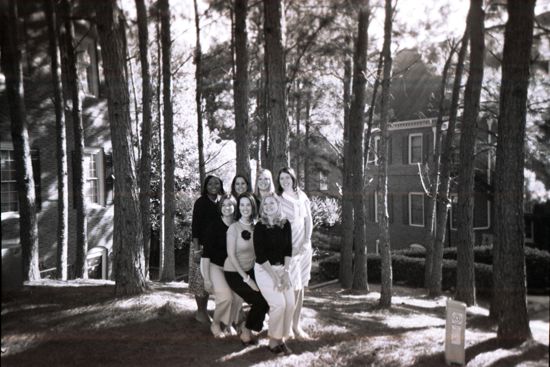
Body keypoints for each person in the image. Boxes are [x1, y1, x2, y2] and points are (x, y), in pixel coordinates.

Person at [224, 192, 269, 346]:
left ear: (253, 207)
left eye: (248, 204)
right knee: (259, 299)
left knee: (267, 296)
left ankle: (247, 327)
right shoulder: (233, 228)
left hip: (251, 270)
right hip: (234, 272)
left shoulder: (258, 227)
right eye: (241, 204)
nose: (245, 208)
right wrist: (247, 279)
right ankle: (246, 332)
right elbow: (231, 255)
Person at [254, 194, 294, 355]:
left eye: (272, 203)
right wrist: (275, 277)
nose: (269, 206)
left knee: (290, 303)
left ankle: (282, 339)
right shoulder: (259, 226)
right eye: (265, 204)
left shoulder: (285, 224)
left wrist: (286, 272)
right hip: (265, 270)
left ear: (278, 205)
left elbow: (288, 249)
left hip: (282, 268)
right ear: (262, 207)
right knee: (279, 304)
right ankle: (273, 342)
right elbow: (260, 255)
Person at [277, 167, 313, 340]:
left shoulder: (302, 196)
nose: (285, 181)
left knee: (302, 286)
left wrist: (306, 242)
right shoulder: (278, 199)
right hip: (289, 250)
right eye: (281, 178)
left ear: (293, 178)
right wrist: (289, 248)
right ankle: (287, 326)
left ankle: (296, 325)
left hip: (304, 248)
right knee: (293, 287)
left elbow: (309, 221)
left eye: (287, 177)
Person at [201, 194, 243, 338]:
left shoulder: (239, 225)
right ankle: (215, 324)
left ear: (235, 207)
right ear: (220, 207)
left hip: (232, 268)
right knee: (226, 297)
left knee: (237, 297)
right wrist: (206, 278)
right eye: (224, 205)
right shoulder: (213, 226)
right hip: (213, 266)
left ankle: (229, 325)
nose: (227, 208)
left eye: (230, 204)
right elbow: (206, 255)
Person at [190, 175, 224, 324]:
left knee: (212, 280)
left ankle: (214, 311)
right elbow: (195, 227)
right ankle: (201, 312)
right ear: (205, 186)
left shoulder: (221, 202)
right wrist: (197, 249)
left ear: (221, 185)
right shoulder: (200, 202)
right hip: (201, 246)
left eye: (217, 183)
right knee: (200, 280)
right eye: (210, 183)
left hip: (217, 248)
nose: (213, 185)